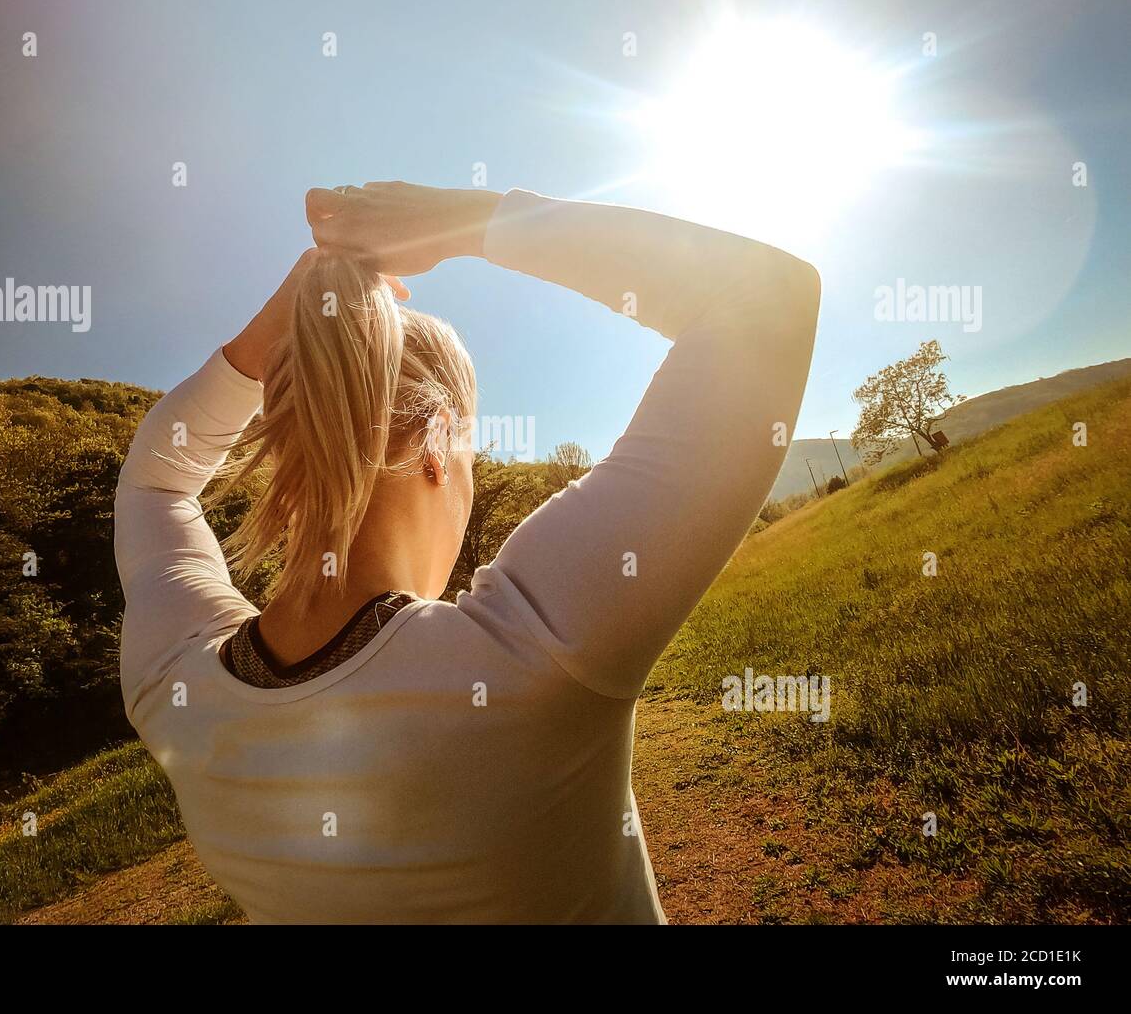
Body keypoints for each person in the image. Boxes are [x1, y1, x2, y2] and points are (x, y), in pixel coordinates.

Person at [114, 181, 820, 923]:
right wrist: (464, 221)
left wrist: (280, 328)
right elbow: (767, 294)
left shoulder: (174, 689)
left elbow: (156, 482)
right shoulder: (531, 654)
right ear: (435, 443)